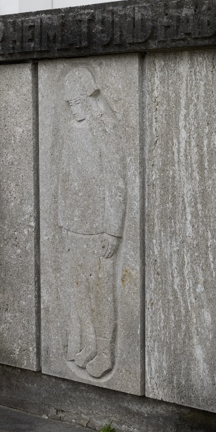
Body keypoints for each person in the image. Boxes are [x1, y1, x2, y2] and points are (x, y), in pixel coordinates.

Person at [58, 67, 125, 378]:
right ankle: (87, 343)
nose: (75, 109)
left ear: (88, 99)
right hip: (73, 225)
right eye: (70, 104)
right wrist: (62, 221)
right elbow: (64, 178)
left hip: (98, 227)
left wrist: (113, 230)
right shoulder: (71, 131)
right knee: (79, 291)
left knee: (100, 293)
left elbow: (115, 181)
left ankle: (105, 351)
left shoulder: (104, 131)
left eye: (78, 102)